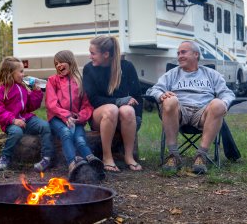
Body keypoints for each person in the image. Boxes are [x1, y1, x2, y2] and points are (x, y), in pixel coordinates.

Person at [146, 40, 235, 174]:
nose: (179, 56)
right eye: (178, 53)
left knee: (218, 103)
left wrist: (224, 104)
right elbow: (153, 90)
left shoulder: (211, 74)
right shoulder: (172, 74)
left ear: (196, 55)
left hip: (203, 113)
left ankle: (201, 156)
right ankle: (173, 155)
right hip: (179, 112)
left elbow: (227, 93)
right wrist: (161, 95)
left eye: (183, 52)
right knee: (170, 100)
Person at [83, 35, 143, 172]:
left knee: (128, 110)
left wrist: (137, 117)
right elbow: (93, 99)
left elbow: (137, 95)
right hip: (100, 116)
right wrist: (118, 101)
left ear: (106, 54)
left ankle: (129, 156)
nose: (90, 56)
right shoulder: (89, 69)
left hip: (123, 118)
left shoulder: (126, 67)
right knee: (112, 110)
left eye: (93, 53)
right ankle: (107, 157)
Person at [45, 50, 105, 181]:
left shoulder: (79, 81)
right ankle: (72, 164)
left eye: (61, 62)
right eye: (56, 64)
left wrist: (79, 117)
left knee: (80, 139)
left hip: (75, 120)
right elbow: (51, 104)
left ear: (70, 62)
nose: (58, 66)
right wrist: (66, 116)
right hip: (57, 119)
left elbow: (87, 105)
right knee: (66, 133)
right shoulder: (52, 80)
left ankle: (92, 161)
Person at [0, 56, 54, 172]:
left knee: (45, 126)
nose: (23, 74)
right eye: (21, 71)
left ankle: (46, 157)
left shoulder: (22, 86)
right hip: (10, 122)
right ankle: (5, 158)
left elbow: (30, 106)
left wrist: (36, 93)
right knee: (16, 132)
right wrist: (13, 120)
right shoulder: (0, 89)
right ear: (10, 73)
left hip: (25, 118)